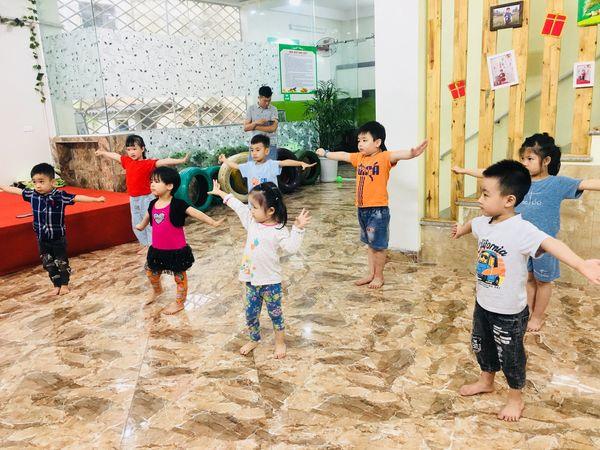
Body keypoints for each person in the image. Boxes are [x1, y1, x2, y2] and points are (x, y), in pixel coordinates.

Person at [451, 159, 600, 422]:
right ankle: (486, 380)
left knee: (511, 356)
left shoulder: (522, 230)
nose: (479, 199)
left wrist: (580, 264)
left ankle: (515, 398)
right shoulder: (484, 222)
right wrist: (460, 231)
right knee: (482, 346)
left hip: (509, 312)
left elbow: (551, 243)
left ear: (509, 200)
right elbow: (473, 224)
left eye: (485, 194)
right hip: (483, 304)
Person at [452, 133, 600, 331]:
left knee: (543, 281)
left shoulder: (557, 183)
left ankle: (537, 317)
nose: (524, 163)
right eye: (522, 158)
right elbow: (489, 174)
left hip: (543, 245)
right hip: (519, 244)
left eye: (530, 159)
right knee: (529, 278)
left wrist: (580, 264)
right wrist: (464, 171)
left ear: (546, 161)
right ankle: (527, 311)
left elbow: (587, 184)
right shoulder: (520, 181)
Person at [316, 121, 427, 289]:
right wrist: (326, 153)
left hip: (378, 211)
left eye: (364, 140)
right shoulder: (359, 158)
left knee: (379, 246)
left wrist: (412, 153)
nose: (360, 144)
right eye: (359, 140)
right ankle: (371, 274)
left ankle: (379, 276)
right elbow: (344, 155)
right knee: (370, 244)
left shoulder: (384, 157)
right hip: (362, 210)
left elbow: (397, 155)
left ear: (377, 142)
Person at [208, 179, 310, 359]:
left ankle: (280, 342)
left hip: (271, 282)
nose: (250, 210)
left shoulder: (279, 230)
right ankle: (254, 339)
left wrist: (298, 229)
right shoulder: (251, 221)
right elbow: (237, 205)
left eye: (254, 207)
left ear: (270, 210)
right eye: (251, 206)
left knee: (275, 314)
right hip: (251, 281)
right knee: (250, 314)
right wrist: (221, 193)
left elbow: (291, 248)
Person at [0, 163, 105, 295]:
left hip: (58, 239)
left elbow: (77, 198)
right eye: (34, 182)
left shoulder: (59, 196)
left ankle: (64, 284)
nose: (38, 185)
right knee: (48, 263)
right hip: (42, 239)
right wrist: (2, 186)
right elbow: (16, 191)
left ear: (53, 182)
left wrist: (96, 199)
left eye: (41, 181)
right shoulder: (33, 195)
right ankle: (56, 284)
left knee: (61, 262)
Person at [136, 167, 224, 314]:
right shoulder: (152, 204)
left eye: (156, 182)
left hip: (176, 250)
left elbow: (196, 213)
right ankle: (157, 290)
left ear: (169, 186)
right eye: (151, 181)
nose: (152, 184)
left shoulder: (178, 204)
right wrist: (141, 225)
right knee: (151, 273)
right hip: (157, 249)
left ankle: (179, 303)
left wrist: (212, 222)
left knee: (180, 278)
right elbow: (147, 216)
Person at [95, 134, 190, 254]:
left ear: (142, 149)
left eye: (134, 149)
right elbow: (115, 156)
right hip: (133, 199)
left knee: (149, 223)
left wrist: (181, 160)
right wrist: (103, 152)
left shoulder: (148, 163)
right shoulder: (127, 161)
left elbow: (163, 161)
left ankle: (152, 245)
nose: (131, 152)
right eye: (128, 149)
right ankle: (146, 244)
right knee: (136, 223)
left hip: (146, 198)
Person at [219, 134, 315, 193]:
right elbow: (235, 166)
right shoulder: (249, 166)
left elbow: (285, 162)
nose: (254, 153)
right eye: (252, 150)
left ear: (266, 151)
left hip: (271, 202)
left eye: (258, 150)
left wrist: (300, 163)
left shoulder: (271, 165)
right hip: (255, 203)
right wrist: (225, 160)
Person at [244, 85, 279, 161]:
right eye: (265, 101)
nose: (267, 103)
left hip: (270, 145)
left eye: (269, 100)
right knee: (253, 167)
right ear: (259, 98)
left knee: (270, 168)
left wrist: (255, 126)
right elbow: (246, 128)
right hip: (255, 146)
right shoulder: (251, 109)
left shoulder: (274, 109)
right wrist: (256, 122)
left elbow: (273, 128)